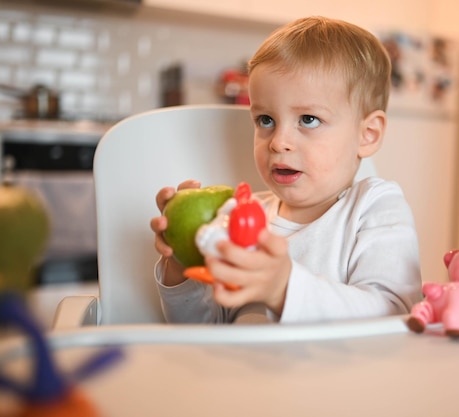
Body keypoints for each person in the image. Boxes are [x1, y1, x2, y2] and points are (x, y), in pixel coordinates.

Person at [150, 16, 422, 324]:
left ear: (367, 135)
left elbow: (394, 313)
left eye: (308, 119)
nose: (278, 142)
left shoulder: (374, 208)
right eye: (266, 120)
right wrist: (180, 265)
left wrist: (284, 290)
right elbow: (203, 328)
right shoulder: (243, 214)